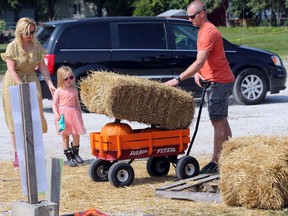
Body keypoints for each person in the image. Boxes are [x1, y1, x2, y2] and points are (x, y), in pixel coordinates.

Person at [166, 0, 235, 174]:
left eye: (191, 16)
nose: (189, 20)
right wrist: (199, 73)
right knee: (222, 119)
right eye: (188, 16)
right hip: (219, 79)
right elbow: (205, 60)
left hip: (219, 81)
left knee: (217, 121)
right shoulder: (203, 30)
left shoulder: (209, 32)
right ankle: (229, 155)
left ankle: (216, 162)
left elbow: (200, 61)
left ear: (202, 13)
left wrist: (178, 79)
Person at [1, 17, 56, 167]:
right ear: (20, 31)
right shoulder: (12, 46)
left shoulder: (36, 46)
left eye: (33, 31)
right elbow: (11, 70)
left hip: (31, 80)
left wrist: (50, 83)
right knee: (15, 119)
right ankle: (18, 154)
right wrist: (20, 85)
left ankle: (34, 151)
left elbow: (42, 67)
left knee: (35, 117)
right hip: (13, 82)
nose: (30, 35)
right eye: (27, 32)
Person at [52, 66, 86, 167]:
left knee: (76, 135)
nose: (69, 80)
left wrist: (79, 114)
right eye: (66, 79)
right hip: (62, 115)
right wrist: (57, 114)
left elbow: (77, 103)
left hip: (73, 113)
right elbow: (54, 104)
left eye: (71, 77)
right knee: (65, 136)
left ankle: (76, 153)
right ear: (61, 79)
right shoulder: (59, 91)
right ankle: (69, 156)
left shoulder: (74, 89)